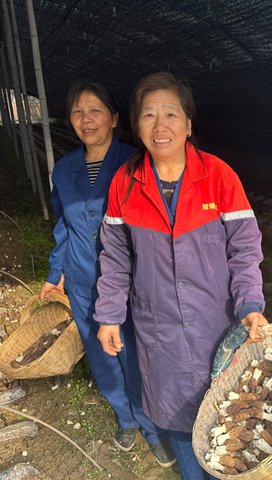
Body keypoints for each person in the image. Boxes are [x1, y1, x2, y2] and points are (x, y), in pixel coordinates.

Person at [93, 72, 268, 480]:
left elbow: (244, 248)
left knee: (231, 412)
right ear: (136, 126)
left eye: (171, 113)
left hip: (217, 322)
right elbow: (115, 257)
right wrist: (108, 315)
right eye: (149, 115)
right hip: (161, 330)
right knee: (180, 424)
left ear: (189, 123)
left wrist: (250, 303)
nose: (160, 125)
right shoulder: (126, 183)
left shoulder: (219, 176)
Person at [39, 80, 176, 468]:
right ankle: (125, 418)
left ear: (115, 118)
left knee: (137, 355)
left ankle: (154, 428)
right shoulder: (63, 170)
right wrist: (55, 271)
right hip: (82, 280)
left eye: (95, 110)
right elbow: (64, 225)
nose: (87, 119)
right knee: (102, 356)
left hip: (133, 283)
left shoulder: (138, 162)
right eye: (78, 112)